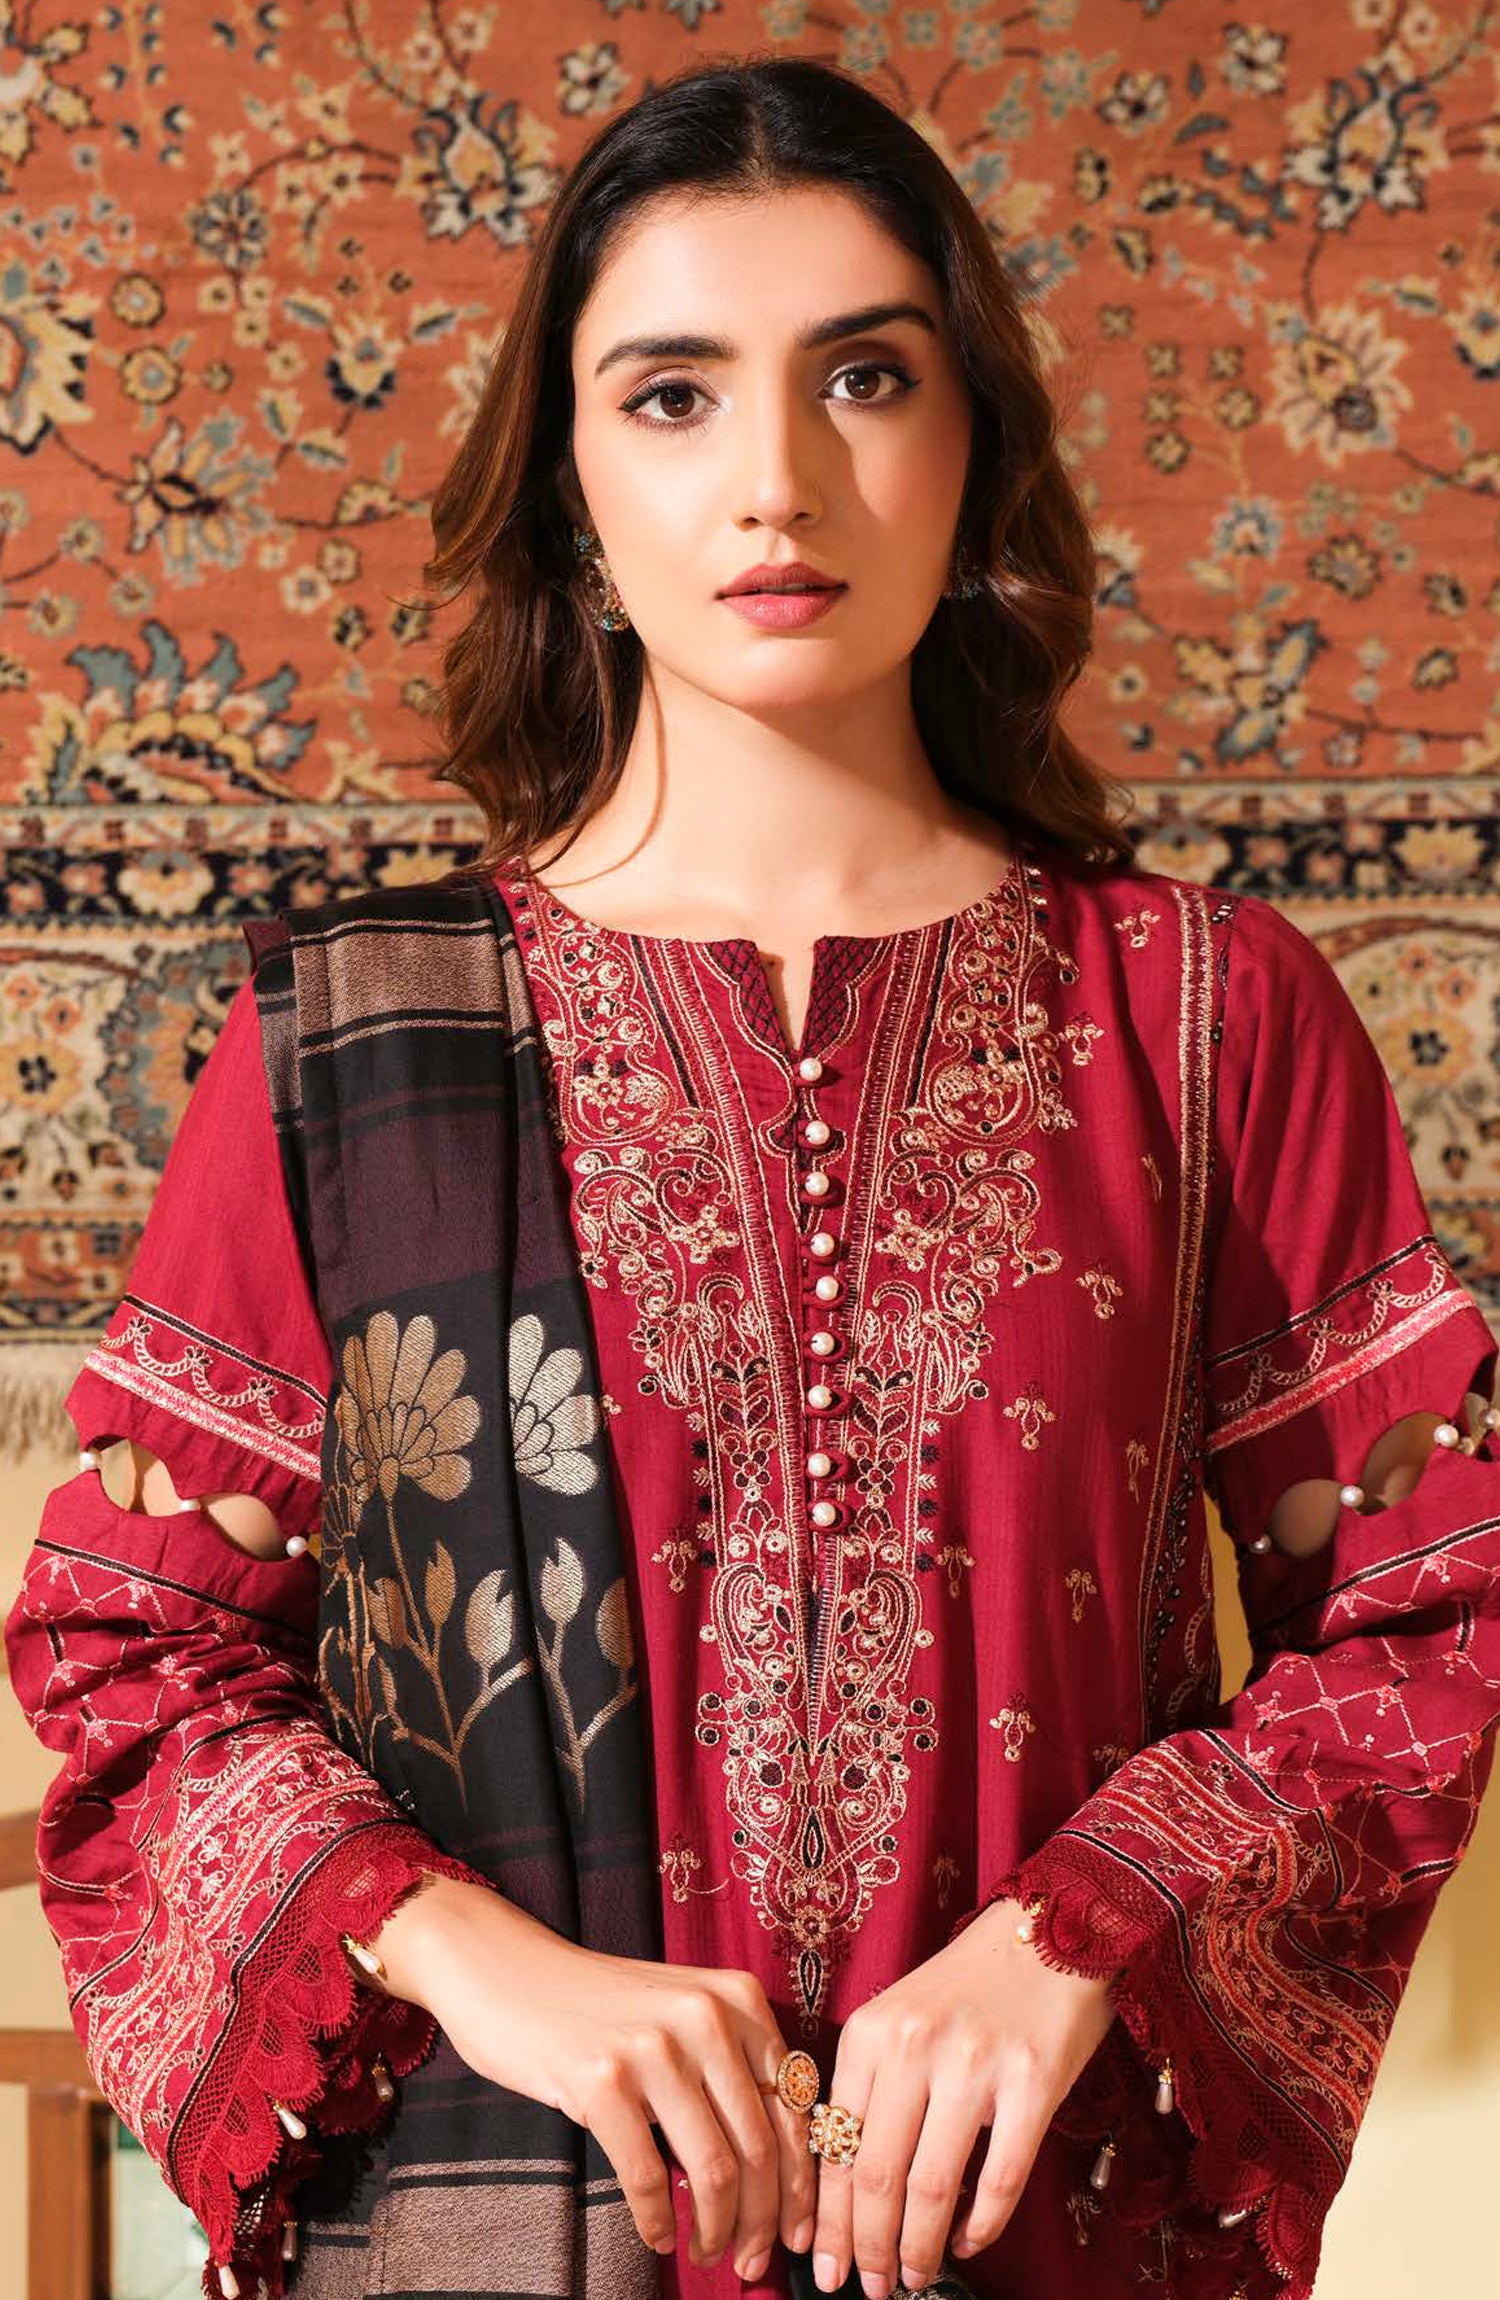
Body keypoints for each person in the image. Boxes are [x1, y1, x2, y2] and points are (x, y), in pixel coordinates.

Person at [7, 52, 1500, 2300]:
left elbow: (1430, 1611)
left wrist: (1082, 1932)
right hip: (501, 2225)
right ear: (571, 484)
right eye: (675, 395)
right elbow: (137, 1653)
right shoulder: (350, 1040)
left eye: (866, 378)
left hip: (1030, 2224)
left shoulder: (1205, 1012)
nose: (779, 479)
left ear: (974, 446)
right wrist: (488, 1963)